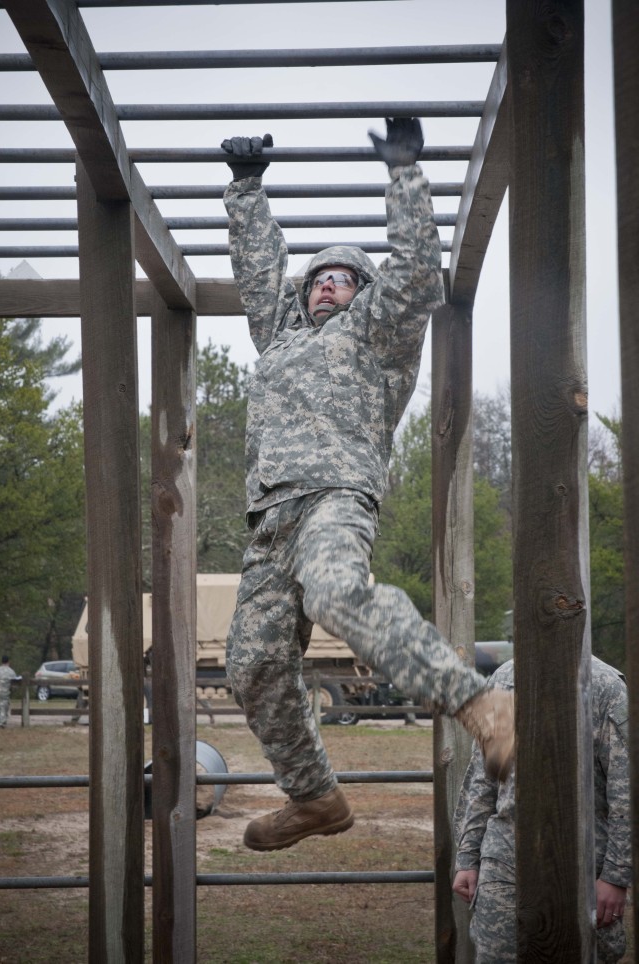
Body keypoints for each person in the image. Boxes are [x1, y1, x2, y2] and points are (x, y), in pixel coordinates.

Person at [220, 118, 514, 853]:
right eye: (318, 279)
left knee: (337, 593)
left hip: (332, 498)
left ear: (362, 294)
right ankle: (315, 797)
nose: (327, 286)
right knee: (251, 665)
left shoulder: (378, 335)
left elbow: (416, 273)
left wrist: (406, 175)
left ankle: (480, 704)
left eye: (342, 278)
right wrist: (246, 191)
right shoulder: (281, 336)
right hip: (268, 521)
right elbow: (262, 273)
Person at [452, 656, 630, 963]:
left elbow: (624, 790)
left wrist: (615, 876)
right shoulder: (503, 680)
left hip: (584, 864)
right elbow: (482, 780)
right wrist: (467, 857)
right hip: (505, 858)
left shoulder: (605, 687)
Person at [0, 654, 19, 728]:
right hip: (5, 692)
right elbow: (14, 685)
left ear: (1, 661)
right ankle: (2, 723)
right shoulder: (11, 672)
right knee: (4, 707)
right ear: (8, 661)